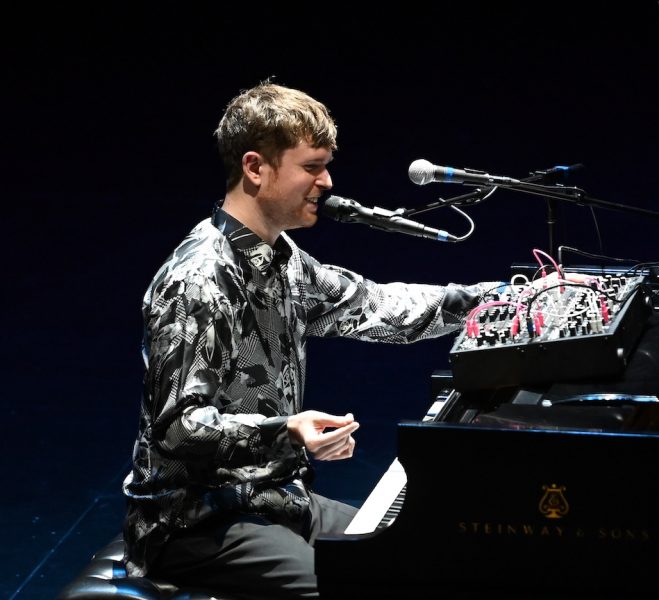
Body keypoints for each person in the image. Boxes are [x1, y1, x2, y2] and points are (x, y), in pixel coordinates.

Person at [120, 81, 505, 599]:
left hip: (275, 499)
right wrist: (289, 430)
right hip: (195, 523)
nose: (326, 181)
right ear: (256, 168)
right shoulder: (199, 282)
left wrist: (499, 300)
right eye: (312, 166)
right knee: (359, 586)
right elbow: (178, 430)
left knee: (422, 558)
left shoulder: (283, 261)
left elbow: (377, 307)